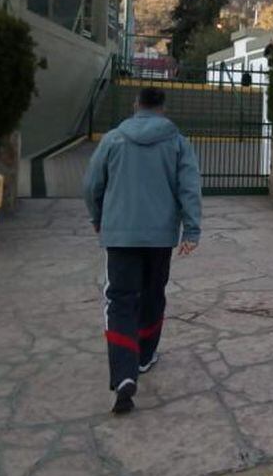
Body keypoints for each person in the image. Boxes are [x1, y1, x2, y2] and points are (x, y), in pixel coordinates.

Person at [83, 86, 202, 415]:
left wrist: (98, 218)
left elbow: (92, 184)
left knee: (120, 300)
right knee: (152, 294)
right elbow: (189, 187)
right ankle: (146, 356)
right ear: (162, 108)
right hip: (160, 237)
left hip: (120, 234)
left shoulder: (113, 139)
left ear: (137, 105)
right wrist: (192, 229)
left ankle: (124, 373)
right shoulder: (177, 142)